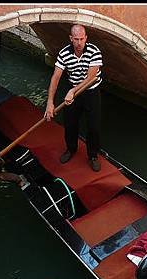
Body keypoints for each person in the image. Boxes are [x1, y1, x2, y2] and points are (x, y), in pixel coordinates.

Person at [44, 24, 103, 172]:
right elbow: (56, 77)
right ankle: (71, 149)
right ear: (71, 38)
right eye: (76, 39)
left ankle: (93, 156)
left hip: (91, 92)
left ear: (86, 38)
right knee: (70, 124)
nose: (79, 43)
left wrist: (72, 91)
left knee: (93, 127)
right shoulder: (64, 53)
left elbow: (91, 79)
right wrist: (50, 103)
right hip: (73, 91)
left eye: (82, 39)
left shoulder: (94, 52)